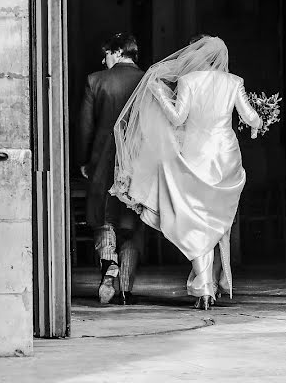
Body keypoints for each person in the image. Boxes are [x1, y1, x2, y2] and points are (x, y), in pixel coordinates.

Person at [110, 35, 262, 310]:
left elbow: (178, 118)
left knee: (195, 219)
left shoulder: (189, 81)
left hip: (196, 154)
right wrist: (256, 123)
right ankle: (210, 284)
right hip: (226, 157)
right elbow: (250, 117)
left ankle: (205, 288)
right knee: (214, 221)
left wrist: (158, 94)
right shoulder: (234, 82)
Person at [76, 33, 145, 305]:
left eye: (105, 54)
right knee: (131, 222)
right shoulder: (147, 81)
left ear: (117, 52)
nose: (103, 60)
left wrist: (83, 159)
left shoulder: (96, 81)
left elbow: (85, 127)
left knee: (104, 217)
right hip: (139, 161)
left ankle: (108, 268)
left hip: (103, 158)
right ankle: (126, 288)